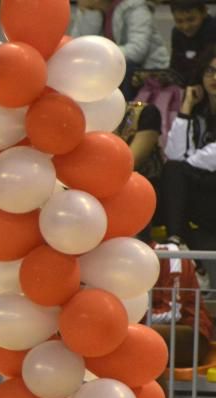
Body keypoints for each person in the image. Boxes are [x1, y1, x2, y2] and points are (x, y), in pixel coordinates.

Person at [150, 241, 213, 398]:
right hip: (152, 331)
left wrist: (129, 320)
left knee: (142, 339)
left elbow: (174, 312)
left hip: (191, 335)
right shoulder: (110, 260)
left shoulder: (169, 254)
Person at [158, 45, 216, 249]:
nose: (214, 78)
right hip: (199, 185)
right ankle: (176, 241)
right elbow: (174, 155)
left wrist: (188, 164)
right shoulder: (199, 113)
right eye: (210, 71)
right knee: (172, 170)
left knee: (178, 170)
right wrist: (186, 107)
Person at [69, 0, 169, 99]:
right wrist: (91, 13)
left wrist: (102, 55)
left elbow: (137, 51)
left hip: (147, 70)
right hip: (114, 65)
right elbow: (79, 47)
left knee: (123, 67)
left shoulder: (134, 7)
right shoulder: (91, 9)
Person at [170, 0, 216, 85]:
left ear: (204, 12)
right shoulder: (177, 33)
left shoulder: (213, 30)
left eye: (191, 19)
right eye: (179, 21)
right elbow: (175, 68)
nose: (186, 26)